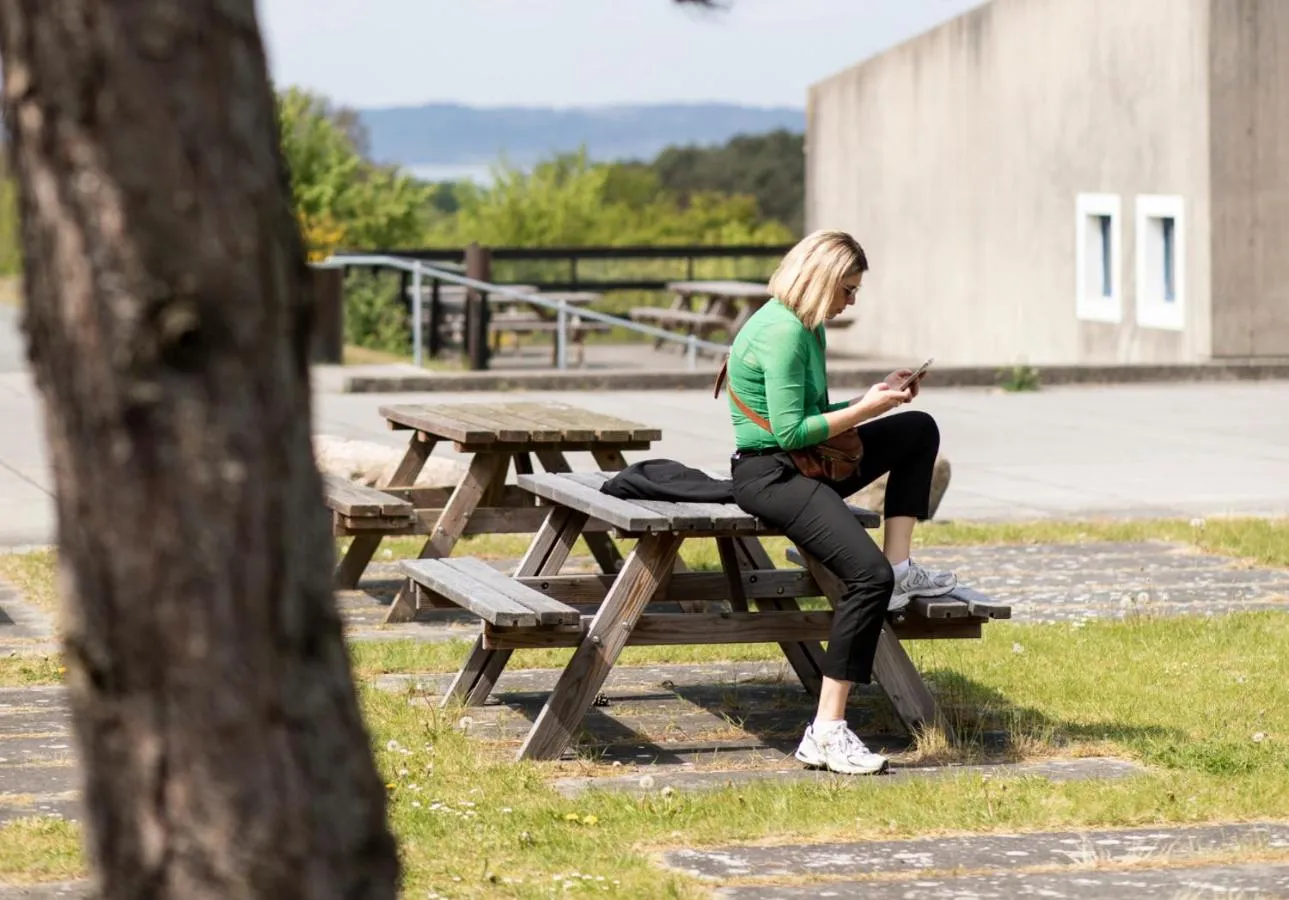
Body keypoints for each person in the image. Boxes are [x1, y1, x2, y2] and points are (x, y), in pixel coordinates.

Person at [723, 229, 958, 776]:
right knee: (866, 578)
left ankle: (901, 567)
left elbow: (816, 420)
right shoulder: (783, 331)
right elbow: (789, 433)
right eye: (847, 289)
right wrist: (868, 408)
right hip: (771, 475)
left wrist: (876, 398)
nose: (851, 300)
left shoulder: (807, 326)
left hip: (806, 463)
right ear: (820, 279)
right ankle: (826, 732)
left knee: (918, 428)